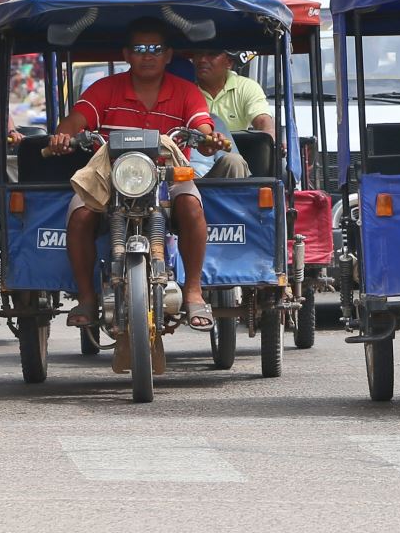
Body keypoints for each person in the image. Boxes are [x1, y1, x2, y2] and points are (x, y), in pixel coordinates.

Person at [47, 23, 226, 330]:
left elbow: (202, 129)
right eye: (140, 50)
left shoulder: (186, 92)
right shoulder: (104, 89)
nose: (148, 56)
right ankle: (87, 298)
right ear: (127, 55)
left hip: (167, 176)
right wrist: (62, 137)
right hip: (108, 176)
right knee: (78, 216)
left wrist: (208, 139)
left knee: (193, 207)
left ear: (168, 55)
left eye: (155, 49)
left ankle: (194, 291)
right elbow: (75, 121)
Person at [189, 48, 263, 179]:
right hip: (177, 179)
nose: (202, 60)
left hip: (211, 178)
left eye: (211, 54)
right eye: (198, 54)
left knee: (234, 162)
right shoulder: (181, 94)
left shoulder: (215, 121)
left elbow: (263, 121)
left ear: (229, 62)